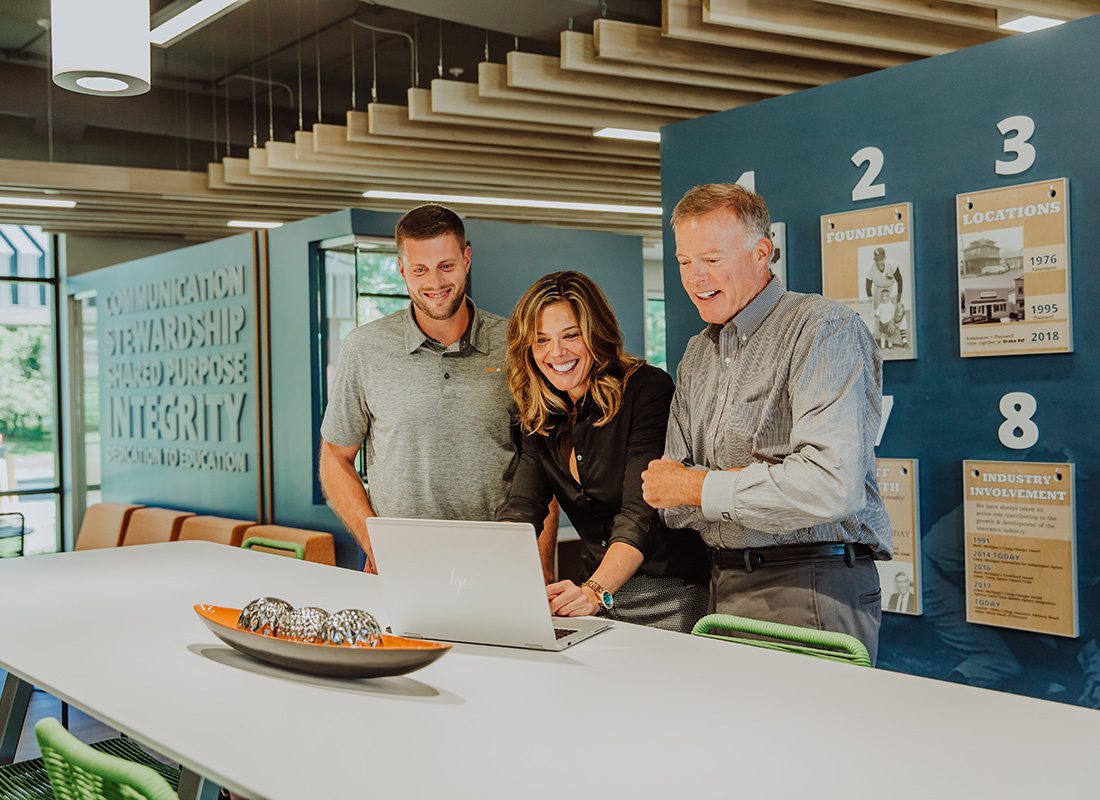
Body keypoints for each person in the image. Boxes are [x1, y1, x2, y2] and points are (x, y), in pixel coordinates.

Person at [640, 183, 893, 662]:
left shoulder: (821, 329)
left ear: (762, 252)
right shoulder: (698, 354)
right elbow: (666, 498)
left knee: (811, 735)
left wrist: (703, 487)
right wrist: (762, 484)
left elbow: (829, 486)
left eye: (712, 259)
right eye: (684, 261)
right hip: (724, 586)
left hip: (811, 585)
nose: (695, 277)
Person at [318, 204, 556, 572]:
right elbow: (335, 457)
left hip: (498, 567)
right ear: (401, 270)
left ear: (467, 258)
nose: (435, 282)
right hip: (400, 565)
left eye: (446, 266)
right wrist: (373, 541)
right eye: (420, 270)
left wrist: (540, 569)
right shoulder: (365, 348)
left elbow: (544, 465)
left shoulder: (516, 345)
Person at [498, 271, 709, 633]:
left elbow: (641, 514)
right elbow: (522, 507)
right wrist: (482, 568)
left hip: (670, 594)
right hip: (595, 596)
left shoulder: (646, 389)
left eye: (571, 335)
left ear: (596, 334)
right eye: (541, 340)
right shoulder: (538, 413)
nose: (556, 352)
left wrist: (596, 591)